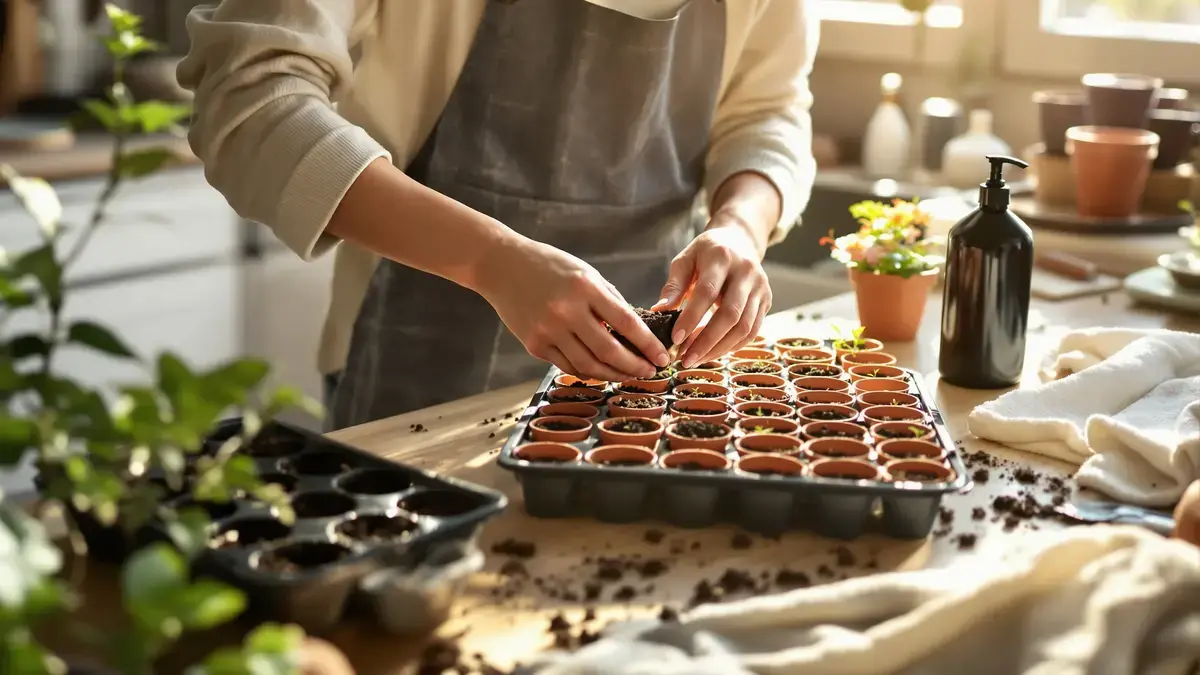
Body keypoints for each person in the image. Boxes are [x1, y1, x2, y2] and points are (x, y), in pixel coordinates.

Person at [178, 0, 819, 430]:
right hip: (412, 368)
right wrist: (489, 260)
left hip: (651, 391)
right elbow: (251, 100)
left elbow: (767, 110)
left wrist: (739, 224)